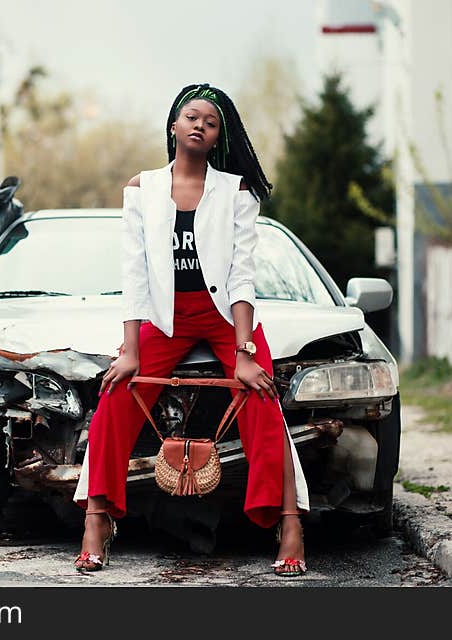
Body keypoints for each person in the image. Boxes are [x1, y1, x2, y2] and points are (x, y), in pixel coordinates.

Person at [73, 83, 309, 577]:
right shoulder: (142, 189)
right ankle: (97, 522)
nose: (200, 124)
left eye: (211, 121)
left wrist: (245, 352)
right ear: (174, 127)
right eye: (192, 117)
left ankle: (288, 524)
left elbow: (242, 276)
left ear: (219, 135)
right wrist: (131, 349)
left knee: (262, 400)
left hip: (223, 315)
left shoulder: (236, 191)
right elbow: (135, 273)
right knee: (116, 395)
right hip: (166, 315)